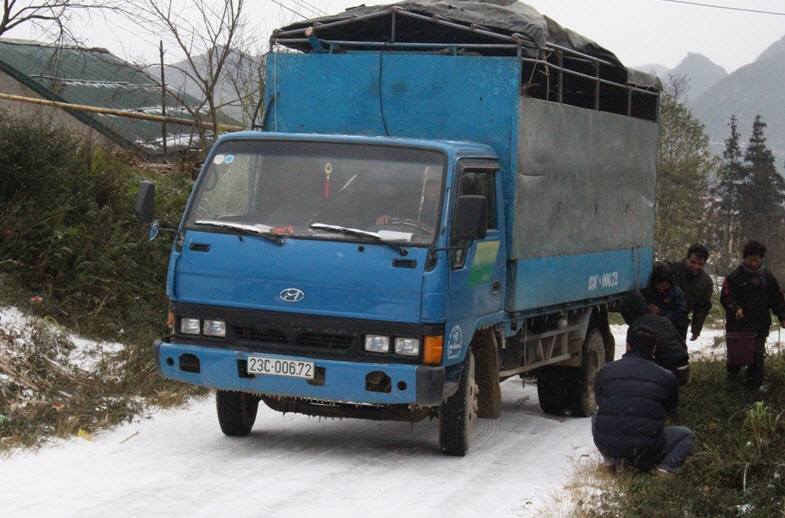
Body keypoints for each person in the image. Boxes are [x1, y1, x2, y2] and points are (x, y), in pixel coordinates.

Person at [592, 325, 694, 474]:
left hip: (608, 447)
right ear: (653, 349)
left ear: (627, 345)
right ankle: (664, 470)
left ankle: (610, 462)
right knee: (686, 435)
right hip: (647, 451)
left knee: (596, 415)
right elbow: (671, 410)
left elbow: (601, 401)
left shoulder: (606, 370)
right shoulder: (666, 376)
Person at [721, 241, 785, 391]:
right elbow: (726, 297)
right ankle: (732, 382)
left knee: (757, 357)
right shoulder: (734, 277)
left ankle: (753, 389)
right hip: (738, 325)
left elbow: (775, 298)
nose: (753, 263)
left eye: (757, 260)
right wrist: (735, 307)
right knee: (736, 357)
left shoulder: (767, 277)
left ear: (761, 259)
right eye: (750, 259)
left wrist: (782, 315)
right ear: (745, 258)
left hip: (759, 325)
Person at [620, 292, 690, 385]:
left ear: (628, 312)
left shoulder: (637, 328)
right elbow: (682, 344)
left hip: (668, 373)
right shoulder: (664, 320)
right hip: (684, 369)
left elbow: (634, 356)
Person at [669, 244, 714, 341]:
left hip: (680, 321)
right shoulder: (671, 269)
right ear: (686, 259)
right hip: (659, 316)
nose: (696, 266)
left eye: (700, 264)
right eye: (693, 262)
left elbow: (702, 308)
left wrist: (696, 330)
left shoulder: (706, 282)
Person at [644, 262, 687, 329]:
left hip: (674, 328)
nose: (661, 289)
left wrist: (660, 312)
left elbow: (680, 315)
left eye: (664, 286)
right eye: (658, 286)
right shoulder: (650, 291)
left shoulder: (676, 293)